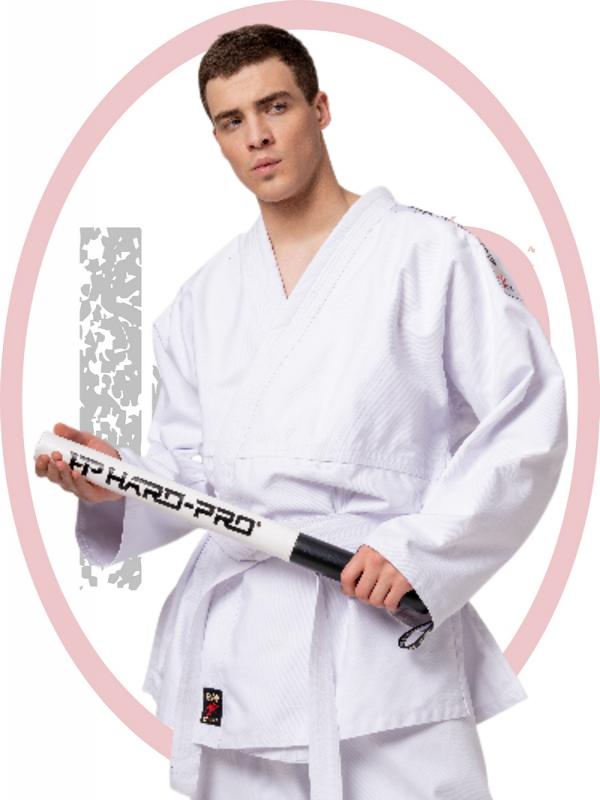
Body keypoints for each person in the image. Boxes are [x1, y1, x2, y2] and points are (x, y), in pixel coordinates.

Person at [34, 24, 568, 800]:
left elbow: (527, 416)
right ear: (217, 140)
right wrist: (120, 484)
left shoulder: (431, 256)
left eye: (275, 106)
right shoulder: (202, 301)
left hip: (374, 621)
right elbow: (192, 473)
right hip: (239, 649)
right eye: (231, 120)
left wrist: (422, 548)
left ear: (320, 109)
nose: (256, 136)